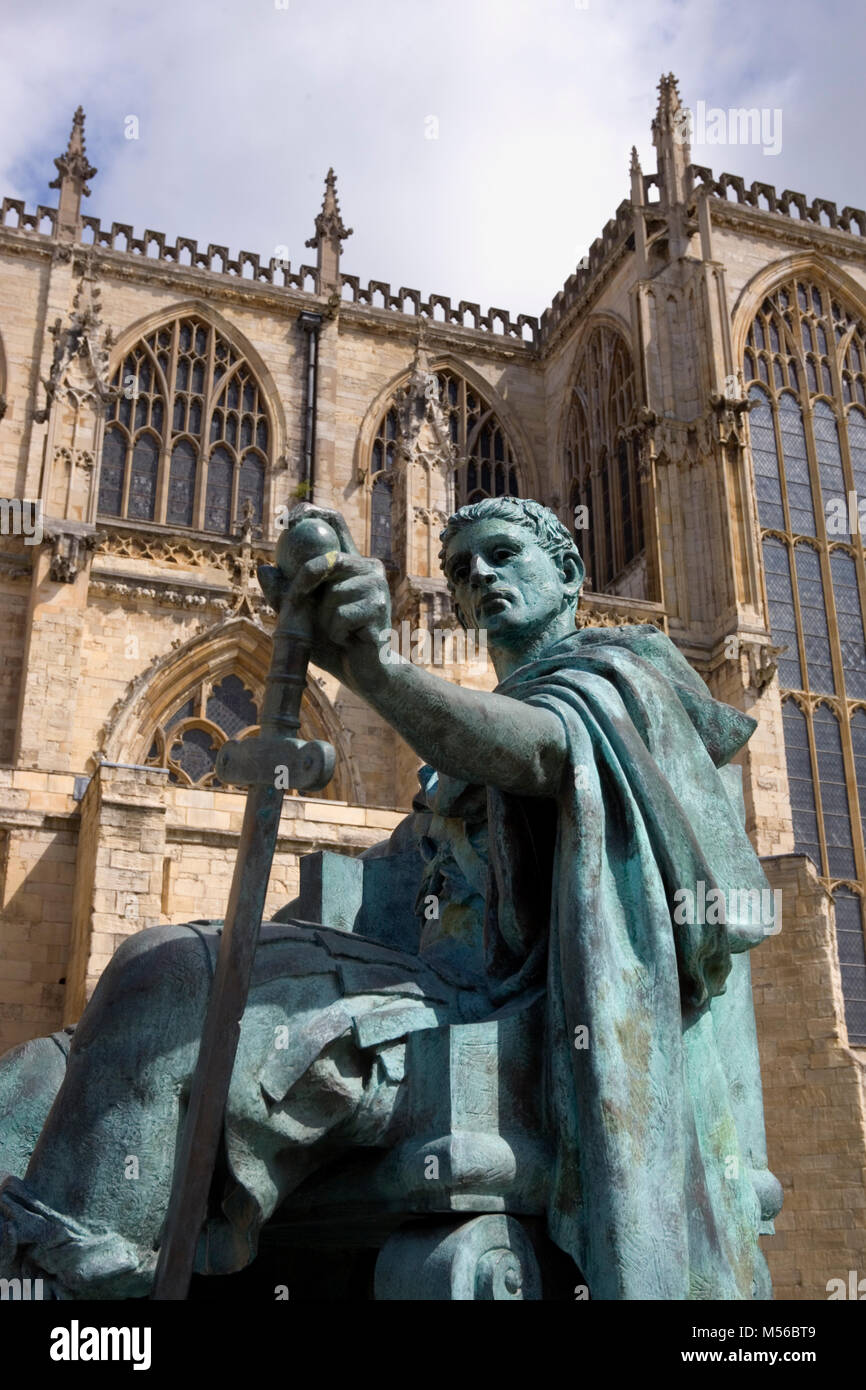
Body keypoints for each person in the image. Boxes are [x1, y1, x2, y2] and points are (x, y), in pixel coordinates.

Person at [0, 497, 779, 1299]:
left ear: (572, 572)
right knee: (35, 1074)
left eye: (503, 554)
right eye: (459, 568)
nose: (478, 576)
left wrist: (371, 666)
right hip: (425, 990)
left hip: (512, 1024)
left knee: (158, 976)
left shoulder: (626, 679)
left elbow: (538, 749)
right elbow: (404, 876)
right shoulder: (465, 754)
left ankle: (81, 1309)